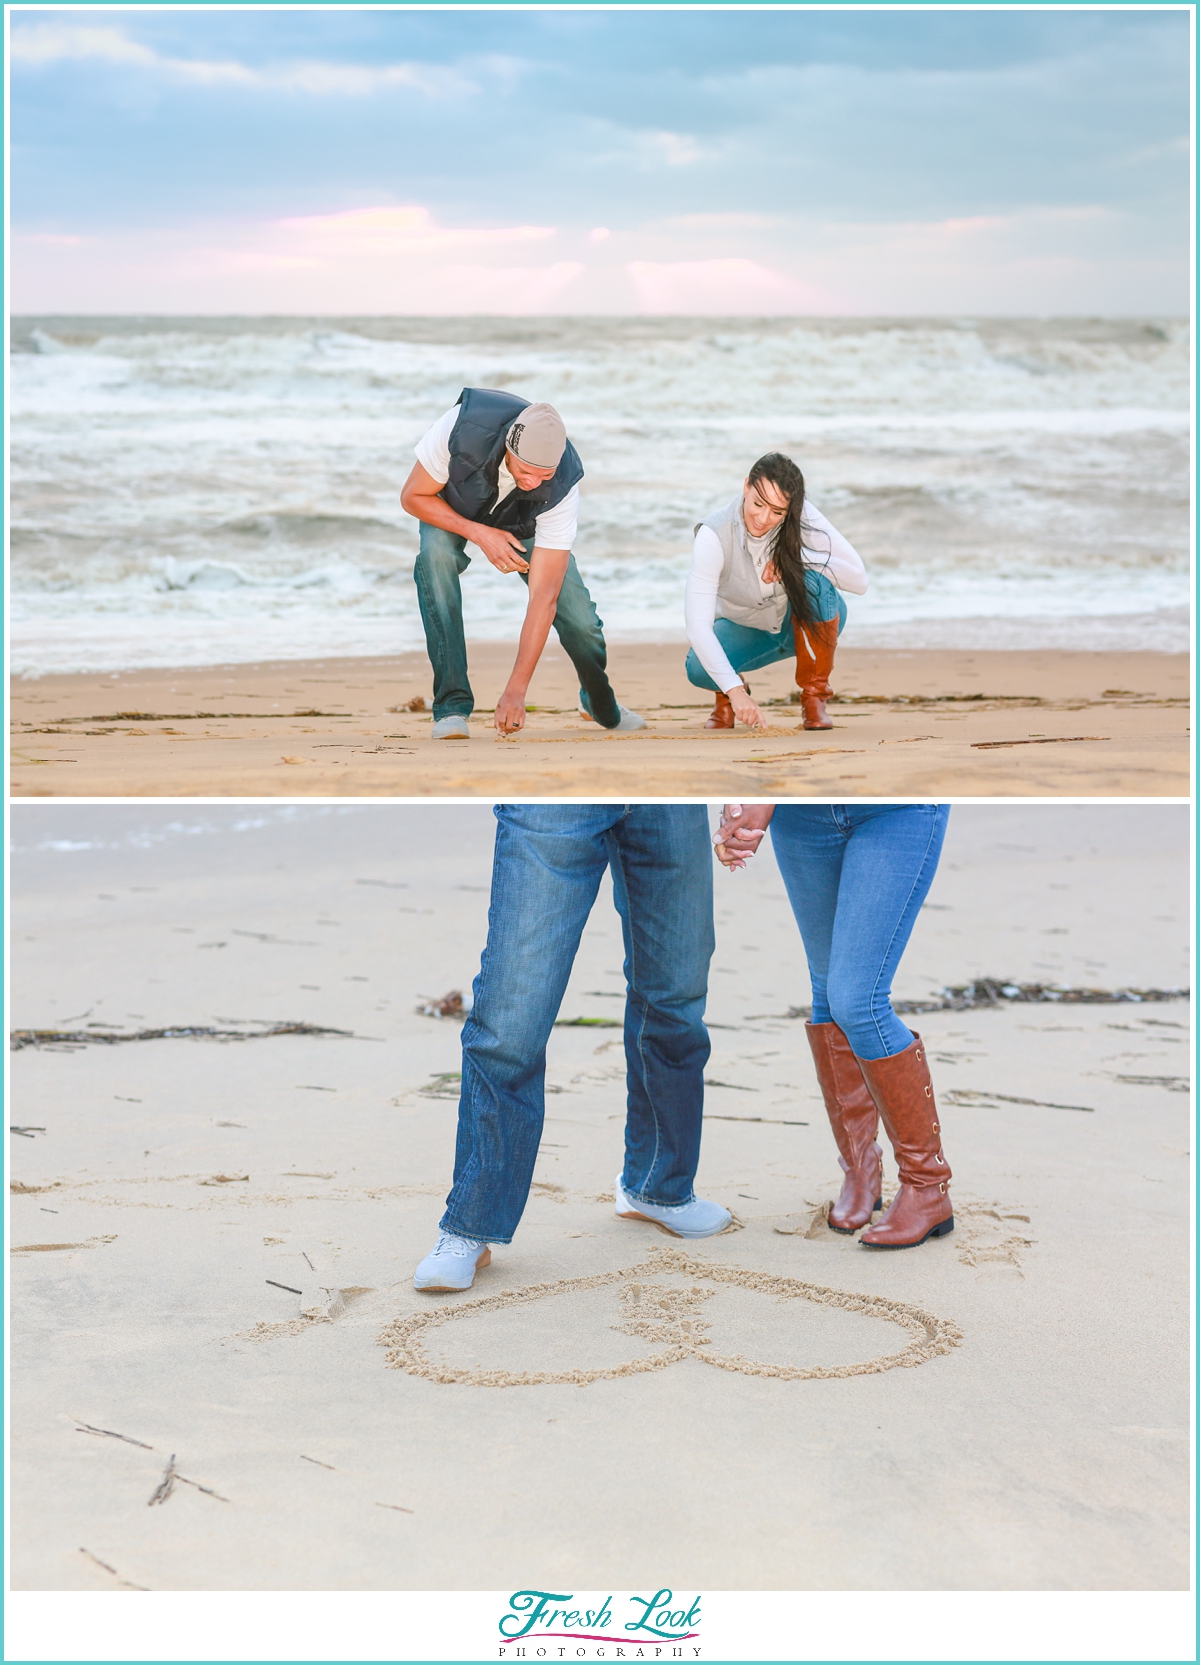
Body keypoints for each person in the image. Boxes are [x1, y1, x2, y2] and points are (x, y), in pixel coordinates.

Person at [414, 804, 731, 1293]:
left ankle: (657, 1187)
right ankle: (469, 1226)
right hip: (558, 792)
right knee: (511, 1019)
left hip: (666, 789)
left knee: (676, 997)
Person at [714, 801, 954, 1249]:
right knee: (826, 992)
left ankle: (927, 1185)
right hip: (801, 815)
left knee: (857, 1000)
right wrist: (742, 802)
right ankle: (860, 1170)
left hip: (894, 808)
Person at [400, 388, 645, 739]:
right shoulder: (461, 428)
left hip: (522, 522)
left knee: (581, 621)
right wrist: (482, 535)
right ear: (509, 449)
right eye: (526, 471)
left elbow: (543, 598)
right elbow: (412, 496)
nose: (532, 482)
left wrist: (516, 691)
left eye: (543, 476)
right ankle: (451, 707)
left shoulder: (562, 484)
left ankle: (598, 702)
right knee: (435, 559)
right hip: (452, 507)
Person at [684, 453, 867, 733]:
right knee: (697, 667)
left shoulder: (802, 514)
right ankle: (728, 690)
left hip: (804, 626)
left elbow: (859, 580)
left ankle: (814, 697)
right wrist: (736, 692)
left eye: (778, 512)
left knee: (815, 581)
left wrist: (794, 560)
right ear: (746, 486)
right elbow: (698, 626)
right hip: (746, 630)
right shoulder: (713, 535)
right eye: (758, 503)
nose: (764, 518)